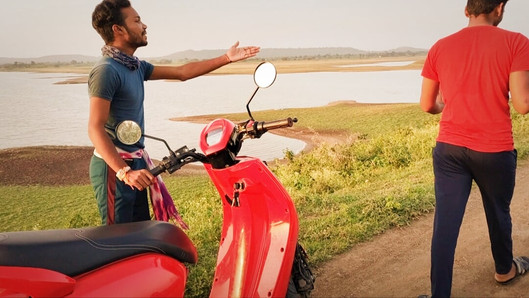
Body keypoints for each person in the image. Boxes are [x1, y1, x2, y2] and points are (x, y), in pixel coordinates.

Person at [88, 0, 260, 226]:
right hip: (116, 168)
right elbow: (94, 128)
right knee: (117, 240)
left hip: (137, 161)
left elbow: (182, 72)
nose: (144, 26)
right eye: (137, 21)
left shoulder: (134, 66)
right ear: (117, 29)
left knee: (138, 232)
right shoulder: (106, 71)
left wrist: (226, 58)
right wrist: (124, 172)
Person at [419, 0, 529, 296]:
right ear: (499, 9)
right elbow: (522, 105)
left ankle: (439, 294)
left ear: (466, 10)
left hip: (450, 149)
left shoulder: (440, 46)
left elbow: (428, 104)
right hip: (494, 150)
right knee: (497, 211)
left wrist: (446, 103)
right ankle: (505, 270)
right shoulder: (517, 42)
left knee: (445, 223)